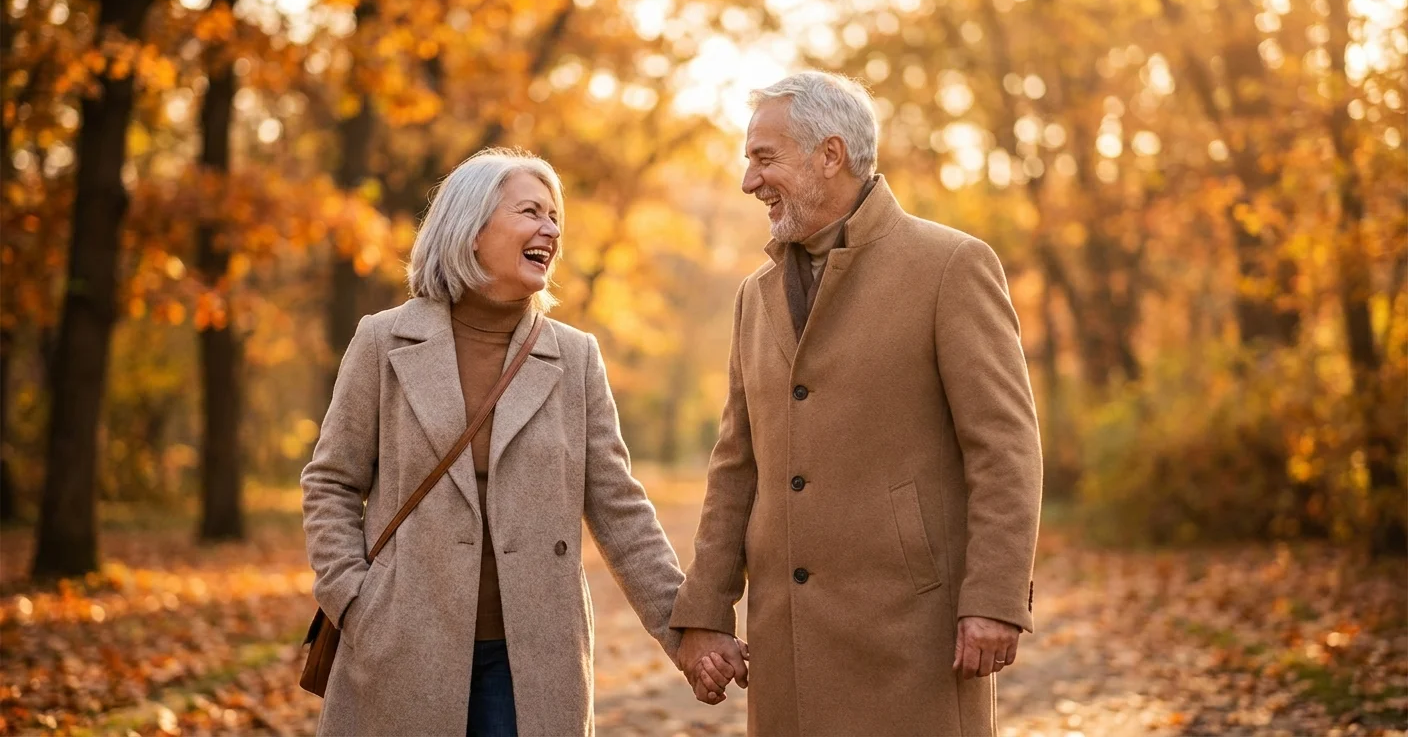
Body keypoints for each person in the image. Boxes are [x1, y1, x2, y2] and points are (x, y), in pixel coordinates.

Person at [670, 72, 1044, 735]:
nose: (749, 181)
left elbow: (1005, 448)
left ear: (830, 155)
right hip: (784, 646)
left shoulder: (950, 267)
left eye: (763, 158)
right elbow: (737, 465)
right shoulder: (754, 297)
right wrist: (704, 612)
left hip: (912, 639)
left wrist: (994, 599)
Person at [301, 148, 686, 736]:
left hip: (531, 658)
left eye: (555, 217)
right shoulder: (384, 342)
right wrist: (354, 600)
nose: (550, 230)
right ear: (471, 229)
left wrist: (683, 628)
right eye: (530, 212)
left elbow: (619, 507)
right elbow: (331, 481)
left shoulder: (574, 356)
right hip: (404, 644)